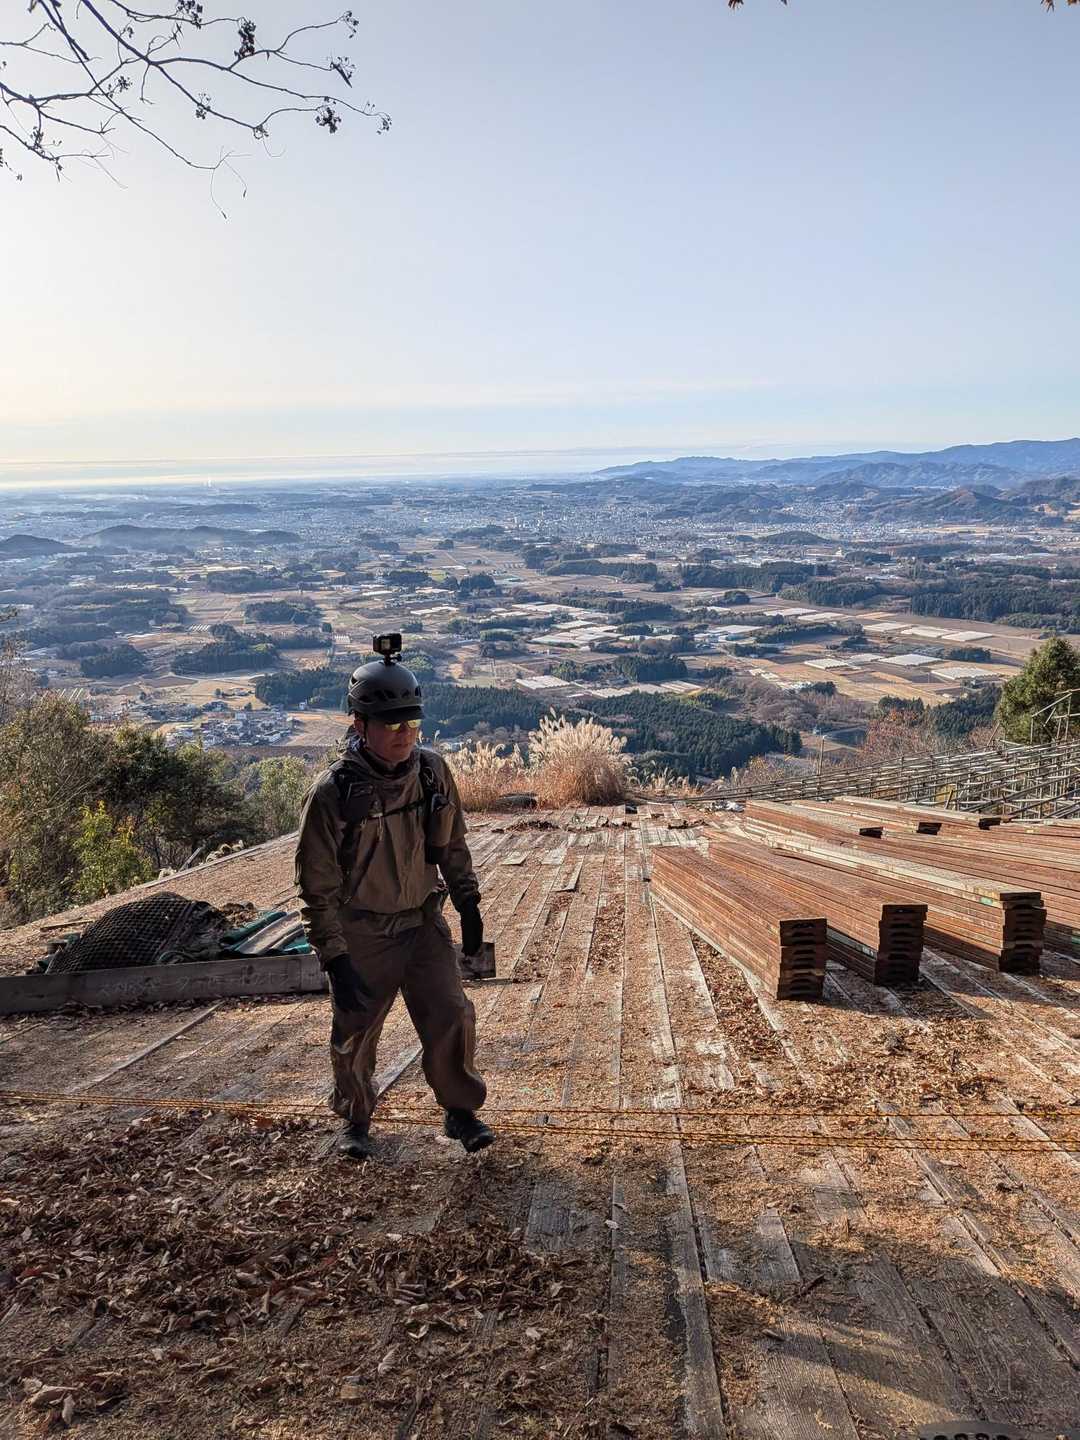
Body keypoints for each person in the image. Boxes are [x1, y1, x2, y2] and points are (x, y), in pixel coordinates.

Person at [294, 637, 493, 1161]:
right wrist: (334, 957)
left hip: (422, 923)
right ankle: (355, 1119)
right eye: (390, 724)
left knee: (451, 1015)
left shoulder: (432, 772)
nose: (404, 734)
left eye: (411, 723)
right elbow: (315, 885)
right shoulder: (332, 793)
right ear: (360, 726)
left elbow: (452, 842)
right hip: (361, 931)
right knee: (355, 1032)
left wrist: (468, 903)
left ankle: (460, 1111)